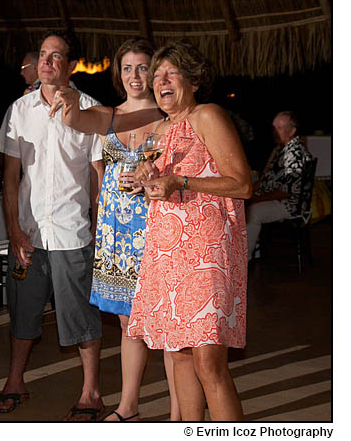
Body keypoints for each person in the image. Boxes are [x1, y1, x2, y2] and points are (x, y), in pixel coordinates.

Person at [51, 38, 179, 421]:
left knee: (167, 323)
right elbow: (79, 126)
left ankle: (179, 413)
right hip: (115, 229)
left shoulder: (167, 116)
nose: (134, 76)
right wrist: (71, 99)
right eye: (127, 68)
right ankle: (129, 406)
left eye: (142, 68)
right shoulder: (110, 115)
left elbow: (181, 170)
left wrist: (155, 178)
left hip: (155, 226)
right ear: (117, 73)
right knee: (128, 321)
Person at [128, 41, 252, 421]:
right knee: (179, 357)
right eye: (157, 76)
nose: (160, 81)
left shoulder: (207, 115)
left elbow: (243, 184)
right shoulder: (162, 128)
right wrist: (144, 178)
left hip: (207, 254)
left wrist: (180, 180)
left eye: (171, 74)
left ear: (193, 80)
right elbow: (164, 183)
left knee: (208, 362)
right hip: (169, 255)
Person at [0, 31, 106, 420]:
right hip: (29, 233)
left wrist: (101, 230)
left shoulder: (90, 109)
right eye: (43, 55)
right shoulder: (19, 110)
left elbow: (97, 177)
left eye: (56, 56)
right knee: (23, 310)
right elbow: (10, 177)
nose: (47, 62)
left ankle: (91, 392)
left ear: (71, 65)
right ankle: (14, 381)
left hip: (73, 232)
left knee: (79, 312)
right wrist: (14, 229)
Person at [246, 111, 311, 259]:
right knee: (242, 205)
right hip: (276, 199)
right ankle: (253, 252)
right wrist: (248, 192)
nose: (275, 132)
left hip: (289, 204)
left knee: (252, 213)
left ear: (292, 131)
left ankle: (245, 258)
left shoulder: (294, 153)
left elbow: (286, 192)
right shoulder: (279, 148)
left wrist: (256, 199)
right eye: (274, 128)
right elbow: (264, 180)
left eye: (280, 128)